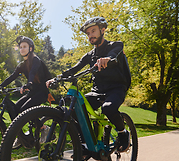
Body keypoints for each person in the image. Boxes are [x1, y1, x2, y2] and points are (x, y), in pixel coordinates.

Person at [46, 17, 130, 152]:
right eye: (88, 33)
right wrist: (57, 78)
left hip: (116, 88)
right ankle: (85, 146)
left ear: (102, 30)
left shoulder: (115, 45)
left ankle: (122, 132)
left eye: (93, 31)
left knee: (108, 108)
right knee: (75, 109)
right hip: (97, 90)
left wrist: (107, 59)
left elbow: (114, 54)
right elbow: (73, 69)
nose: (90, 35)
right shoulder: (89, 55)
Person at [0, 36, 52, 147]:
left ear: (31, 48)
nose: (22, 49)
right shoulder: (22, 65)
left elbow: (32, 72)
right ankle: (21, 136)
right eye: (20, 47)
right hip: (32, 92)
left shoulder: (36, 60)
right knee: (15, 110)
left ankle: (44, 128)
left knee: (25, 110)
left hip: (42, 92)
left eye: (24, 47)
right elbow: (12, 76)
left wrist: (29, 83)